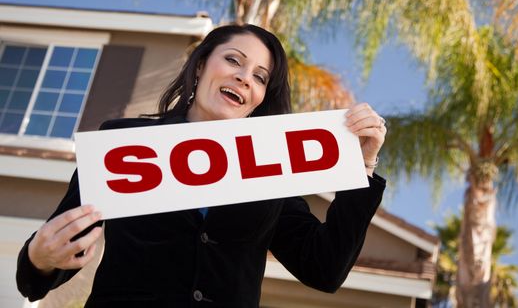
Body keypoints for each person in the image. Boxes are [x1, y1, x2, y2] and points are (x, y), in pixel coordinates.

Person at [16, 24, 387, 307]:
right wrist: (39, 258)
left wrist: (364, 165)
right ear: (200, 67)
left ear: (259, 98)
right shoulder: (126, 145)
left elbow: (323, 269)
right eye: (233, 60)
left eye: (260, 77)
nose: (244, 77)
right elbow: (47, 262)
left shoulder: (271, 168)